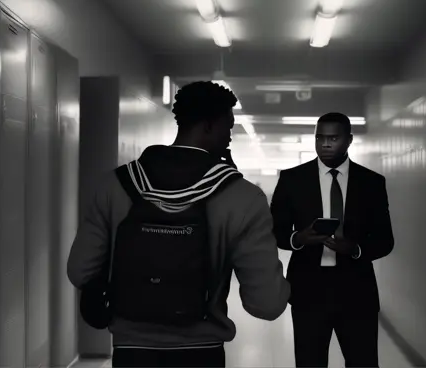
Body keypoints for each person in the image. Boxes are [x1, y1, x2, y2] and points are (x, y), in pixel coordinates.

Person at [67, 81, 290, 367]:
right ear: (208, 126)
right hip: (202, 352)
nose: (230, 138)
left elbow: (80, 270)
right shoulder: (243, 197)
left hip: (131, 349)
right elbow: (267, 303)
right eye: (228, 127)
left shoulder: (115, 185)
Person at [270, 112, 394, 368]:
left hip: (357, 291)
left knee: (363, 362)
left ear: (349, 140)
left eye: (333, 138)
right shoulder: (292, 179)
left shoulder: (371, 183)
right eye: (320, 138)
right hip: (308, 291)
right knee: (309, 363)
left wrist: (356, 249)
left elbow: (385, 239)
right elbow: (274, 232)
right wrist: (298, 238)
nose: (325, 144)